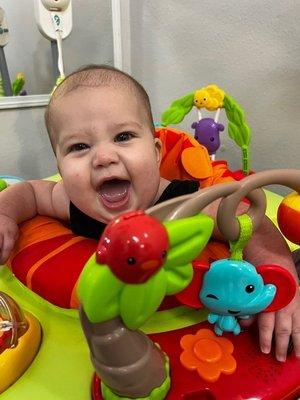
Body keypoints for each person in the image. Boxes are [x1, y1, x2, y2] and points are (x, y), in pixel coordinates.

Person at [0, 64, 299, 362]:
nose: (103, 157)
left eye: (123, 137)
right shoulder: (71, 200)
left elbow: (251, 224)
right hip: (78, 333)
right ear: (60, 168)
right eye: (79, 146)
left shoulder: (187, 203)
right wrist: (5, 213)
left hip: (193, 330)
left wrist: (283, 279)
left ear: (156, 153)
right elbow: (30, 192)